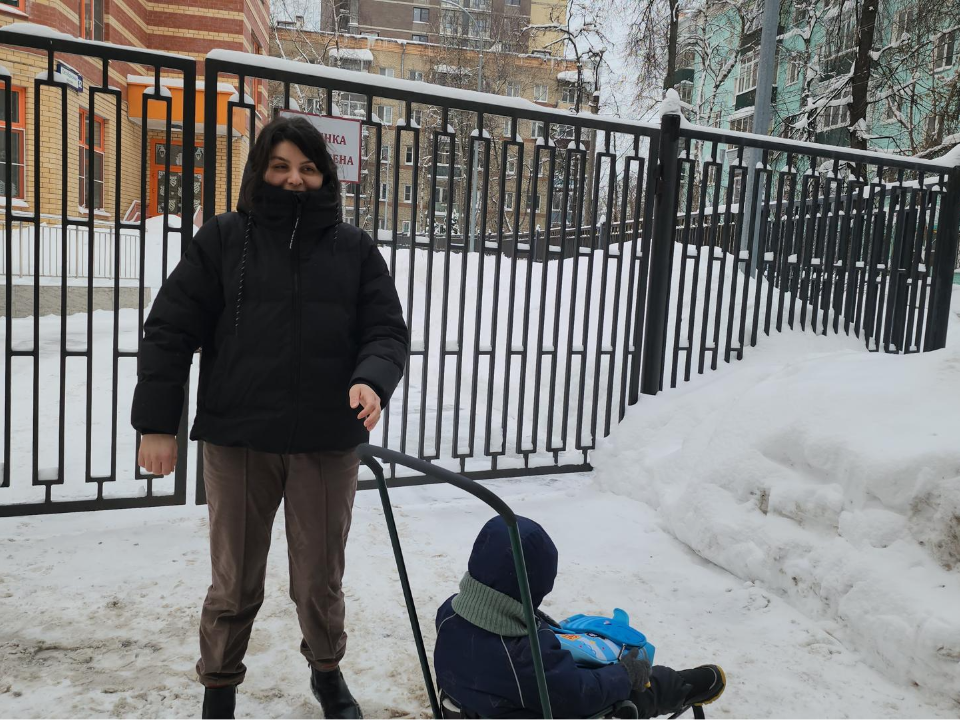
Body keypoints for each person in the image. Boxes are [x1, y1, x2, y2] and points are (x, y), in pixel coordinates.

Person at [131, 115, 409, 720]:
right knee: (233, 581)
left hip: (325, 441)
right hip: (239, 439)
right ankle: (219, 688)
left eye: (307, 168)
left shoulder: (354, 249)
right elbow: (171, 327)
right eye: (280, 166)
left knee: (318, 580)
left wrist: (372, 379)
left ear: (325, 174)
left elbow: (386, 330)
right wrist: (157, 424)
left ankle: (328, 672)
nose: (294, 180)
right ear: (260, 170)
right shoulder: (224, 239)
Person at [434, 516, 726, 720]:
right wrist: (625, 673)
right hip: (540, 708)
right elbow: (582, 694)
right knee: (643, 685)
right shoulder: (524, 659)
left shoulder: (450, 613)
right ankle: (683, 686)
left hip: (478, 705)